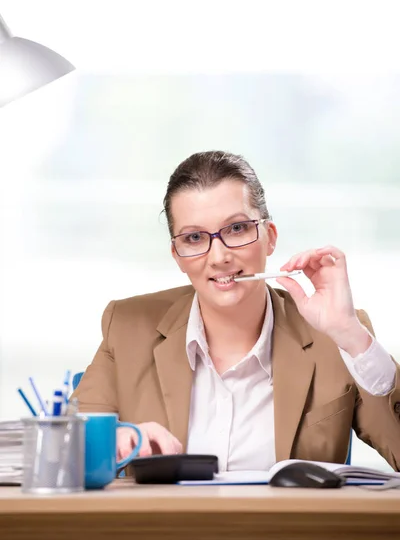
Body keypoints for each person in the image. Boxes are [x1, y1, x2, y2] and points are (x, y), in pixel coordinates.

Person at [75, 150, 400, 471]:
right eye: (194, 237)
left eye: (236, 229)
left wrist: (351, 337)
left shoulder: (337, 336)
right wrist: (114, 440)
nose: (218, 257)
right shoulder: (128, 327)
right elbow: (65, 453)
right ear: (177, 255)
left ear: (269, 238)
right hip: (168, 525)